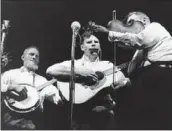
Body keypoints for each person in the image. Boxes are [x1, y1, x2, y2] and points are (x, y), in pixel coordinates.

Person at [93, 11, 172, 129]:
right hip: (151, 79)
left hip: (163, 73)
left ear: (144, 20)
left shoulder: (155, 27)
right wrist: (125, 82)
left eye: (130, 23)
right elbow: (133, 71)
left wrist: (110, 32)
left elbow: (138, 40)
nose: (127, 28)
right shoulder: (143, 49)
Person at [46, 31, 130, 129]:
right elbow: (51, 70)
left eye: (96, 42)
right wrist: (79, 72)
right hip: (79, 117)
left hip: (104, 117)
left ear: (99, 47)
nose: (93, 43)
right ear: (82, 47)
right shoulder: (74, 64)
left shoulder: (108, 65)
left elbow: (125, 83)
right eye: (89, 42)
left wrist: (125, 82)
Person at [1, 45, 61, 130]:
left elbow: (56, 98)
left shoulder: (42, 80)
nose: (34, 57)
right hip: (10, 121)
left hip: (32, 123)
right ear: (23, 57)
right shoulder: (10, 74)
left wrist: (62, 90)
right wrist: (11, 87)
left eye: (37, 56)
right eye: (31, 54)